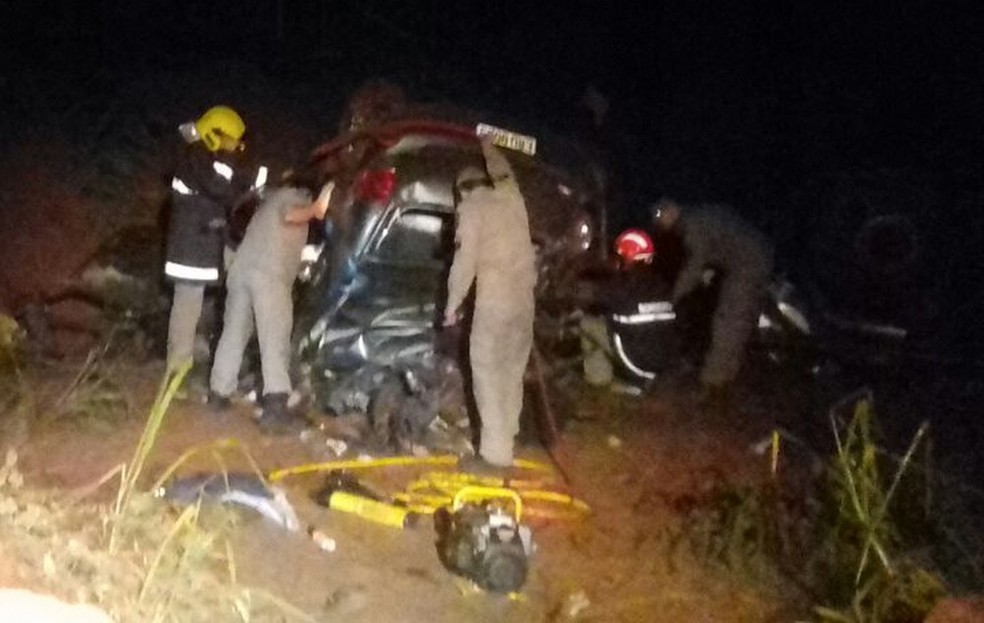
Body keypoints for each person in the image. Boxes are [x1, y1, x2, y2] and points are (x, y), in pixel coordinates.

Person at [208, 176, 336, 434]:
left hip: (241, 272)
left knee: (233, 334)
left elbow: (278, 238)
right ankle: (276, 408)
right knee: (275, 338)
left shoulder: (267, 202)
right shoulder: (295, 197)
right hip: (268, 278)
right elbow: (289, 215)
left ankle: (218, 395)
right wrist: (317, 209)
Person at [443, 137, 537, 471]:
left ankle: (494, 456)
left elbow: (464, 263)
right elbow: (505, 171)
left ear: (462, 191)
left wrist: (451, 307)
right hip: (525, 304)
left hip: (495, 302)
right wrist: (488, 146)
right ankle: (506, 442)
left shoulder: (472, 208)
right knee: (511, 372)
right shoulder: (512, 199)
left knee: (486, 370)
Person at [651, 197, 773, 409]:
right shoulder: (698, 215)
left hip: (747, 263)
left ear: (671, 211)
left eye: (661, 218)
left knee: (726, 322)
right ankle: (726, 379)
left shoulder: (692, 223)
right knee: (740, 322)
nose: (661, 224)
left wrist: (673, 297)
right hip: (760, 255)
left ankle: (711, 384)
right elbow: (714, 247)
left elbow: (694, 265)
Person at [164, 105, 252, 373]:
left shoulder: (202, 157)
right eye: (230, 141)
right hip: (190, 252)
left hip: (200, 247)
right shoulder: (196, 154)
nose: (233, 148)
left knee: (195, 309)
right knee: (186, 311)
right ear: (216, 134)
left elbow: (226, 195)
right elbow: (218, 187)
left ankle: (196, 361)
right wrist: (226, 157)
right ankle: (176, 373)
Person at [576, 228, 661, 391]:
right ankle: (645, 380)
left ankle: (599, 379)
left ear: (624, 257)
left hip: (636, 363)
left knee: (590, 323)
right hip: (659, 362)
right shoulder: (660, 283)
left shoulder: (621, 284)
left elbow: (594, 300)